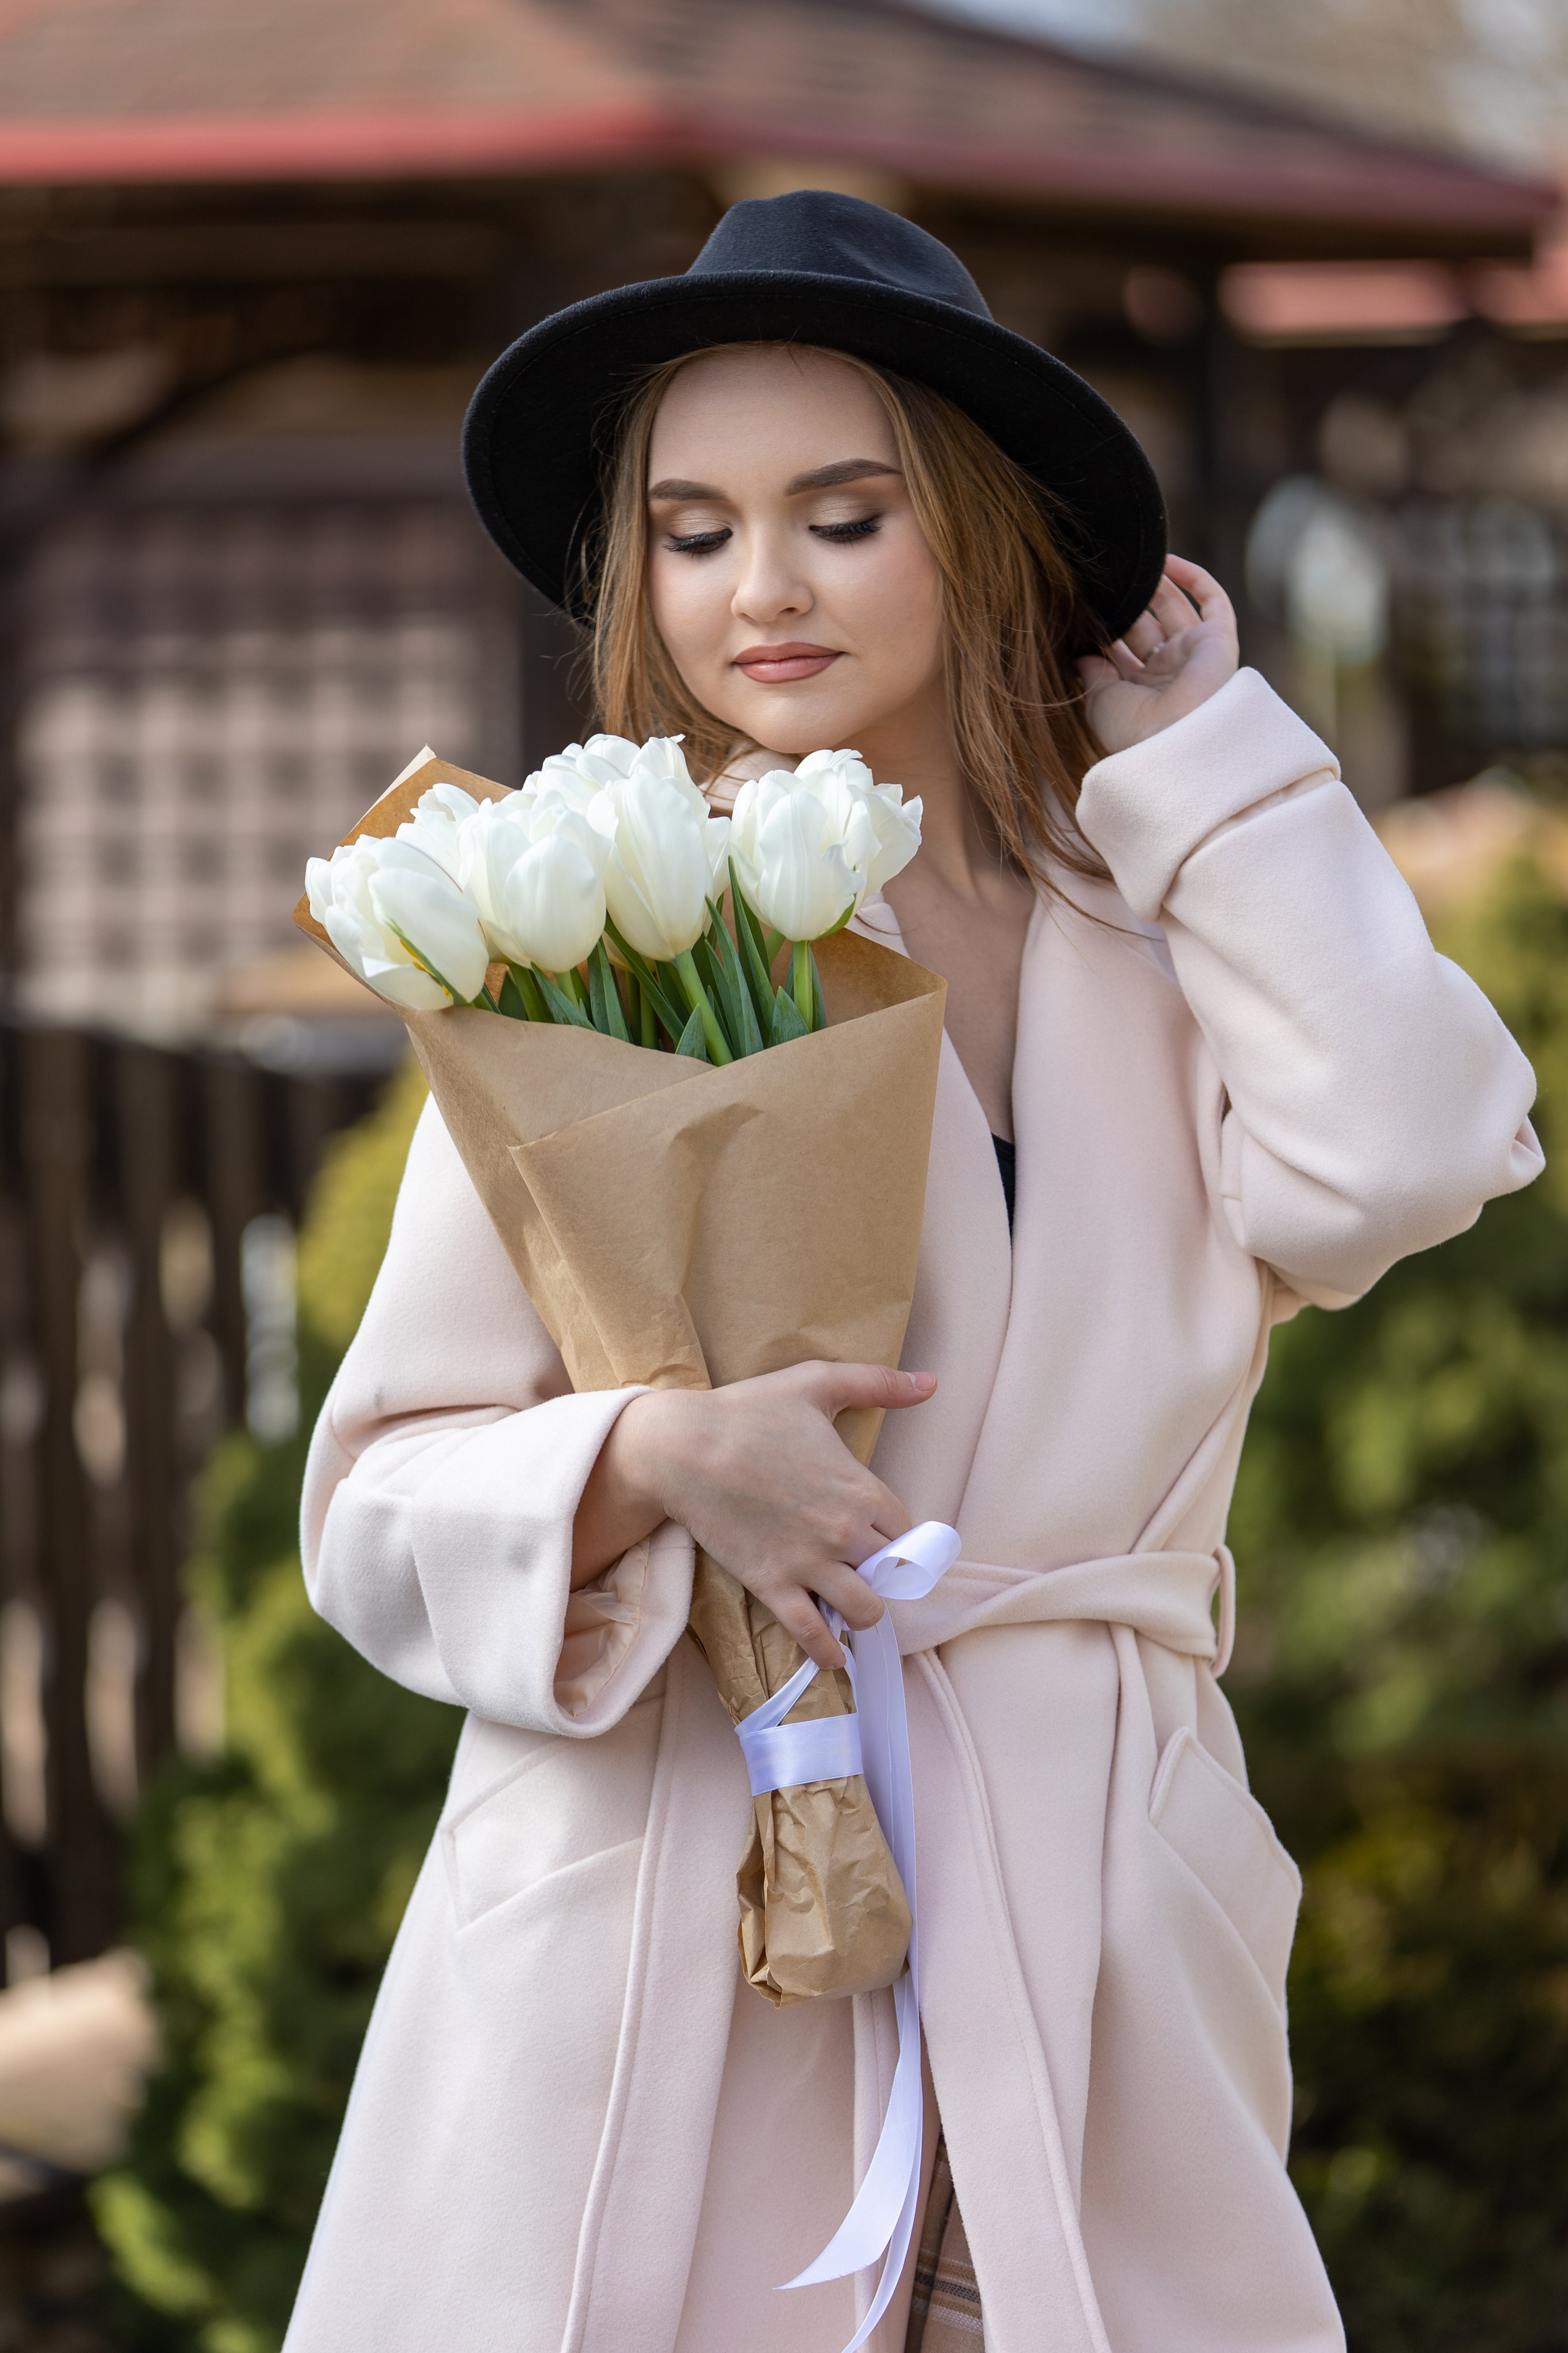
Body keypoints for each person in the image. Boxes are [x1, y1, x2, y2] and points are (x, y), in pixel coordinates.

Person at [283, 194, 1541, 2353]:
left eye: (840, 514)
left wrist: (1204, 752)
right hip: (679, 1909)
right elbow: (375, 1505)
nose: (757, 588)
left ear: (978, 529)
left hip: (1092, 1900)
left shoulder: (1164, 935)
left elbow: (1411, 1153)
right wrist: (667, 1456)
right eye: (691, 529)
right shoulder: (576, 942)